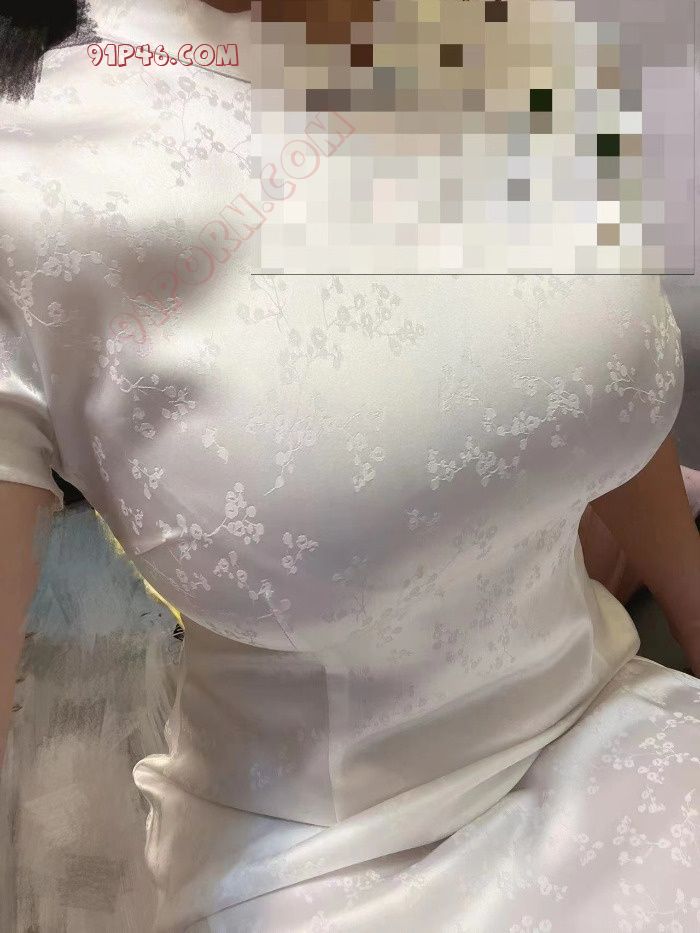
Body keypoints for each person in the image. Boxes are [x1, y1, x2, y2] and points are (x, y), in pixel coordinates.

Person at [1, 1, 699, 930]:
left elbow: (590, 377)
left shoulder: (500, 32)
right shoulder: (35, 165)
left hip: (625, 724)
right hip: (337, 864)